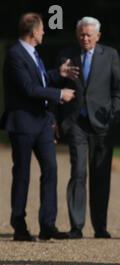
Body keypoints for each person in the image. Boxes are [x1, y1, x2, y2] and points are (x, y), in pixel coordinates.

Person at [0, 12, 78, 241]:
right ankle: (19, 225)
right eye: (42, 28)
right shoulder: (14, 55)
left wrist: (58, 74)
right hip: (23, 123)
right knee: (22, 174)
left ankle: (47, 224)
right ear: (33, 31)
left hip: (42, 123)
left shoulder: (33, 54)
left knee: (51, 171)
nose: (44, 32)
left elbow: (39, 79)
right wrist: (59, 93)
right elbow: (28, 88)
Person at [55, 16, 120, 239]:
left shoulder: (110, 55)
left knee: (101, 174)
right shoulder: (66, 55)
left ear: (98, 36)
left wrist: (114, 115)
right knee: (78, 172)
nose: (85, 38)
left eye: (89, 35)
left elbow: (118, 90)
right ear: (78, 35)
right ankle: (76, 226)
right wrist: (55, 120)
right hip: (76, 122)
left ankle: (100, 226)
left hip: (103, 123)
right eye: (82, 34)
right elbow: (56, 88)